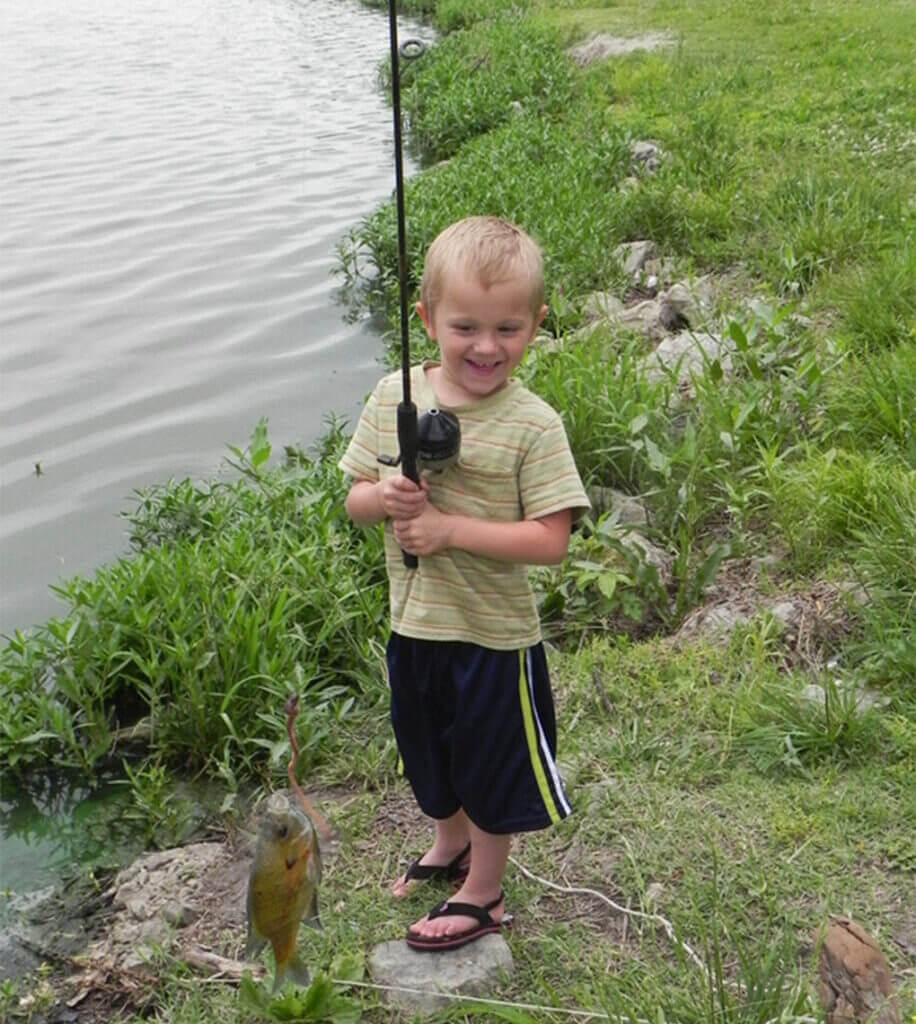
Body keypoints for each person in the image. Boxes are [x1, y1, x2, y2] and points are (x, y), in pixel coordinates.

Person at [339, 216, 589, 951]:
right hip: (414, 624)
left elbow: (551, 541)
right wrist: (383, 497)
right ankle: (446, 842)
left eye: (508, 328)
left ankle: (485, 892)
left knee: (488, 763)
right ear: (426, 320)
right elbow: (354, 498)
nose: (487, 347)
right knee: (428, 750)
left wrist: (448, 530)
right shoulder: (394, 394)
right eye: (466, 326)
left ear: (538, 325)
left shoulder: (533, 425)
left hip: (492, 637)